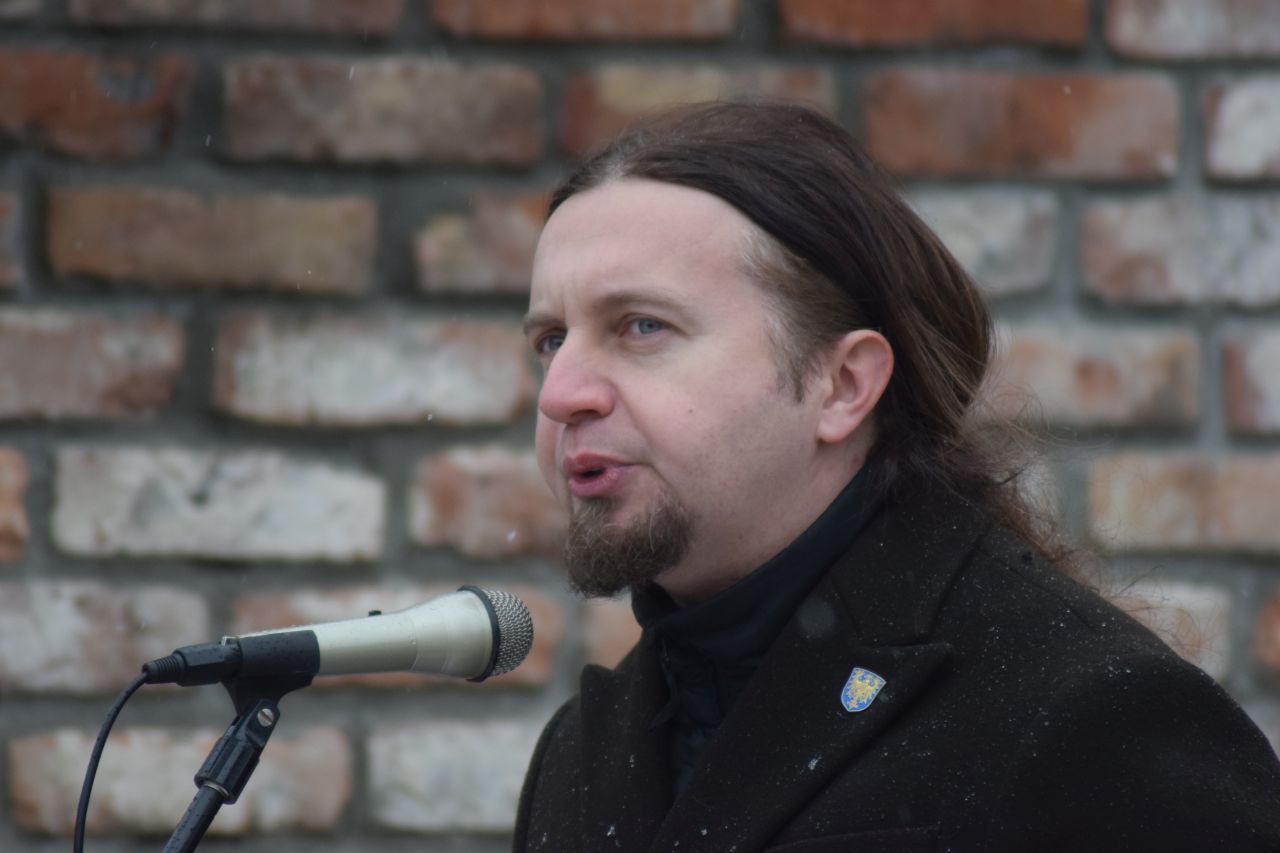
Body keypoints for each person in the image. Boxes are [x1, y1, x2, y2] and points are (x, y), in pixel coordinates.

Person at [513, 101, 1280, 852]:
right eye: (551, 340)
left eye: (642, 326)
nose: (561, 393)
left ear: (844, 386)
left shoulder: (1086, 718)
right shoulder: (581, 754)